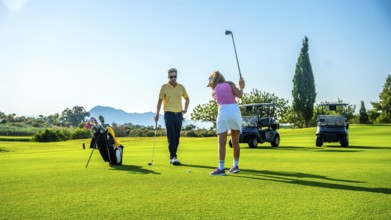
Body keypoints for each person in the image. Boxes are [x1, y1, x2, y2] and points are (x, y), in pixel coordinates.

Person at [207, 71, 245, 176]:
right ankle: (235, 166)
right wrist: (241, 86)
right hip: (235, 111)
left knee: (221, 143)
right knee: (235, 142)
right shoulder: (230, 84)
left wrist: (239, 86)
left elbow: (223, 97)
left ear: (213, 82)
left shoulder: (214, 91)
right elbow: (239, 95)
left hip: (223, 111)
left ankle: (221, 168)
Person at [154, 68, 190, 165]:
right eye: (171, 77)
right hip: (168, 114)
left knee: (177, 137)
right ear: (168, 77)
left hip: (179, 115)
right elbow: (160, 101)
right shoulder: (164, 87)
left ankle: (172, 156)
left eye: (175, 76)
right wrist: (157, 113)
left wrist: (185, 109)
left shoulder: (181, 87)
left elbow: (187, 98)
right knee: (171, 136)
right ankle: (174, 156)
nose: (173, 78)